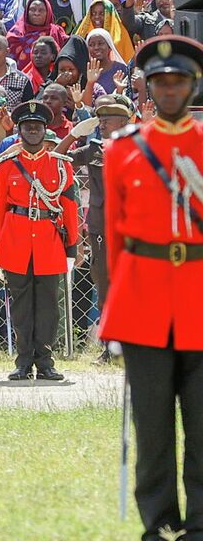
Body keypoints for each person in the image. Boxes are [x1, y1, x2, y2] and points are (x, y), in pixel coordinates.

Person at [99, 34, 203, 541]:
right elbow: (117, 239)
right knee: (154, 425)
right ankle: (158, 522)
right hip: (143, 306)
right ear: (147, 87)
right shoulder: (124, 150)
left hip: (201, 304)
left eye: (177, 80)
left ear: (192, 84)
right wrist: (116, 312)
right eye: (160, 81)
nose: (168, 89)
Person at [0, 100, 80, 382]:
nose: (32, 131)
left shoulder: (60, 165)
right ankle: (22, 361)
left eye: (37, 127)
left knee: (48, 306)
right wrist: (0, 246)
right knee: (20, 305)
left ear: (45, 130)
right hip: (15, 241)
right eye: (27, 127)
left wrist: (72, 245)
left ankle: (45, 362)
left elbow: (69, 207)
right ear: (19, 131)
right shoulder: (7, 166)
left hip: (48, 241)